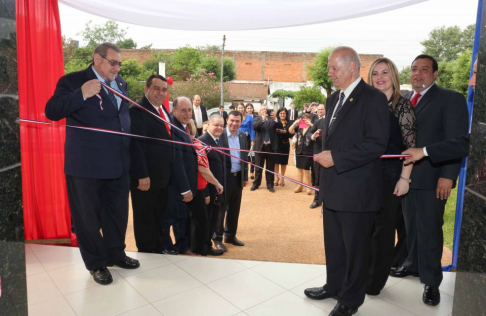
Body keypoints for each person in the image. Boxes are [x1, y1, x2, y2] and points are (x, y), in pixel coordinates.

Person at [45, 42, 140, 285]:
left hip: (118, 164)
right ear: (97, 59)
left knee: (117, 214)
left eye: (119, 63)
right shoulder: (72, 81)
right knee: (87, 219)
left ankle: (115, 254)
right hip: (85, 166)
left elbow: (121, 120)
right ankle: (96, 264)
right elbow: (52, 111)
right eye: (113, 62)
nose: (117, 68)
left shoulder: (121, 84)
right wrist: (82, 94)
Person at [305, 46, 389, 316]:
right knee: (335, 245)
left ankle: (351, 300)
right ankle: (334, 285)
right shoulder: (332, 100)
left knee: (355, 249)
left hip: (358, 190)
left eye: (334, 68)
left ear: (352, 67)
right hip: (334, 187)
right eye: (330, 68)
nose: (330, 73)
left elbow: (376, 144)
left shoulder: (373, 99)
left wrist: (337, 157)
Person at [390, 55, 469, 307]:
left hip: (433, 177)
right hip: (406, 179)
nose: (417, 73)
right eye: (414, 69)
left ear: (435, 74)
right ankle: (412, 266)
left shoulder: (450, 99)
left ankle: (432, 282)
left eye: (424, 69)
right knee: (410, 228)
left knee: (429, 232)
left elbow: (458, 142)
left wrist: (448, 175)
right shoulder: (402, 100)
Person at [365, 58, 416, 296]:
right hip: (366, 177)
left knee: (383, 231)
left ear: (393, 75)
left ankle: (375, 282)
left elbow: (410, 148)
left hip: (391, 178)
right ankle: (361, 275)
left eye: (385, 72)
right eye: (375, 73)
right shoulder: (366, 105)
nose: (380, 77)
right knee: (364, 229)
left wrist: (405, 179)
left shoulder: (403, 106)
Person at [129, 74, 180, 254]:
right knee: (145, 216)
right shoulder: (138, 111)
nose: (160, 93)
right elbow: (136, 146)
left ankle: (157, 248)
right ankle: (147, 250)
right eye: (156, 89)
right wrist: (141, 174)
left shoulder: (163, 110)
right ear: (147, 89)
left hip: (162, 177)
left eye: (164, 90)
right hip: (146, 178)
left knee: (158, 215)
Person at [162, 97, 198, 255]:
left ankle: (181, 248)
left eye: (189, 110)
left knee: (181, 219)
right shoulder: (173, 128)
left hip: (183, 186)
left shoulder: (184, 127)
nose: (187, 113)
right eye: (183, 110)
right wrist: (185, 189)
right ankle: (169, 248)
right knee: (171, 220)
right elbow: (177, 161)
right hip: (175, 187)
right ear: (174, 111)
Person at [212, 111, 249, 250]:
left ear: (241, 122)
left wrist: (244, 177)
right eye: (232, 120)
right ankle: (217, 238)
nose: (234, 124)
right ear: (227, 120)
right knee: (221, 209)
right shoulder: (219, 136)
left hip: (237, 177)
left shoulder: (243, 136)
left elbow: (244, 158)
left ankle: (230, 235)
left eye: (237, 121)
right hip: (223, 179)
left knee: (234, 209)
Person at [198, 115, 227, 256]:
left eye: (221, 125)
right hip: (207, 191)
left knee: (212, 220)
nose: (219, 128)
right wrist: (206, 193)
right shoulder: (202, 141)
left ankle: (207, 245)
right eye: (216, 125)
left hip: (217, 190)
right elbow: (201, 169)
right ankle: (202, 248)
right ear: (208, 124)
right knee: (205, 221)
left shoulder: (218, 140)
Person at [251, 104, 278, 193]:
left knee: (270, 167)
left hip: (270, 147)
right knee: (258, 167)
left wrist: (275, 118)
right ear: (260, 111)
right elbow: (255, 127)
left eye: (267, 109)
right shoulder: (257, 119)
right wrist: (262, 119)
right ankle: (256, 184)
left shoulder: (273, 119)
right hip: (260, 146)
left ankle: (270, 184)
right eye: (264, 110)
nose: (265, 111)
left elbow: (280, 127)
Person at [289, 113, 314, 194]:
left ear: (310, 119)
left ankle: (309, 186)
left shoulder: (312, 127)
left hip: (308, 151)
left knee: (306, 169)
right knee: (299, 168)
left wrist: (311, 124)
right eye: (303, 118)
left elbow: (318, 132)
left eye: (307, 118)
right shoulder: (300, 126)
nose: (305, 120)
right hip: (299, 150)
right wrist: (295, 123)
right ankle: (300, 185)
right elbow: (290, 131)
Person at [308, 104, 326, 209]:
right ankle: (317, 199)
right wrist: (312, 136)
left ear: (325, 110)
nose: (320, 111)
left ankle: (327, 200)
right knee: (317, 176)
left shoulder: (330, 120)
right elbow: (309, 133)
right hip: (318, 152)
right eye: (318, 109)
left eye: (322, 109)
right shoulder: (316, 121)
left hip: (328, 152)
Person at [274, 108, 292, 186]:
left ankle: (282, 178)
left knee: (283, 162)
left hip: (285, 144)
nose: (282, 115)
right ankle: (276, 177)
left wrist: (286, 132)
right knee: (276, 162)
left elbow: (292, 134)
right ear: (278, 114)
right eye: (281, 113)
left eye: (284, 113)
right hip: (276, 144)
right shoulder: (275, 122)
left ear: (286, 114)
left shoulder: (290, 122)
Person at [245, 103, 257, 179]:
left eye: (251, 108)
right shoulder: (243, 117)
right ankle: (245, 172)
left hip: (253, 138)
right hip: (245, 138)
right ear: (246, 109)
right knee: (246, 156)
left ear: (253, 109)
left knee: (253, 156)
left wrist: (253, 139)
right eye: (248, 108)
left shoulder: (256, 117)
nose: (249, 109)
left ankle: (252, 172)